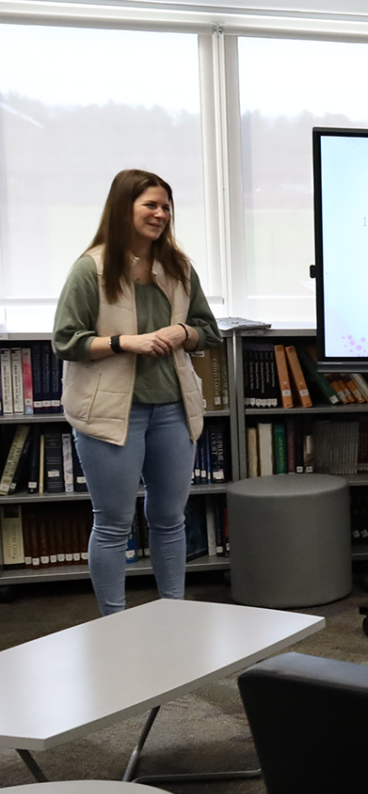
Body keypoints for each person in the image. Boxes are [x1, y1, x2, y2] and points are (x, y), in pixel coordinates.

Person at [52, 168, 221, 617]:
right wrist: (127, 342)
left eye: (166, 206)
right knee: (113, 525)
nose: (161, 214)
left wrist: (182, 332)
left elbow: (209, 331)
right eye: (150, 204)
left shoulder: (180, 268)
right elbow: (66, 340)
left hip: (173, 410)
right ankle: (114, 624)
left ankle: (173, 616)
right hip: (110, 413)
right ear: (124, 208)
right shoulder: (91, 268)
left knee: (170, 520)